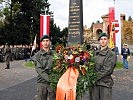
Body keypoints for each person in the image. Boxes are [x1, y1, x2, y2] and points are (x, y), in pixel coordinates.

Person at [89, 33, 117, 100]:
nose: (103, 41)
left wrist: (92, 78)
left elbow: (107, 70)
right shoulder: (94, 53)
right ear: (99, 41)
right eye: (101, 39)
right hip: (94, 85)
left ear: (107, 41)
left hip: (105, 84)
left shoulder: (111, 54)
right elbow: (89, 66)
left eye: (105, 39)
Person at [31, 35, 55, 100]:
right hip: (42, 82)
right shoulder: (37, 55)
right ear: (41, 43)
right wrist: (50, 80)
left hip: (53, 82)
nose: (45, 42)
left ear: (50, 42)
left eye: (47, 41)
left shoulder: (55, 54)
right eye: (43, 41)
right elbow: (39, 70)